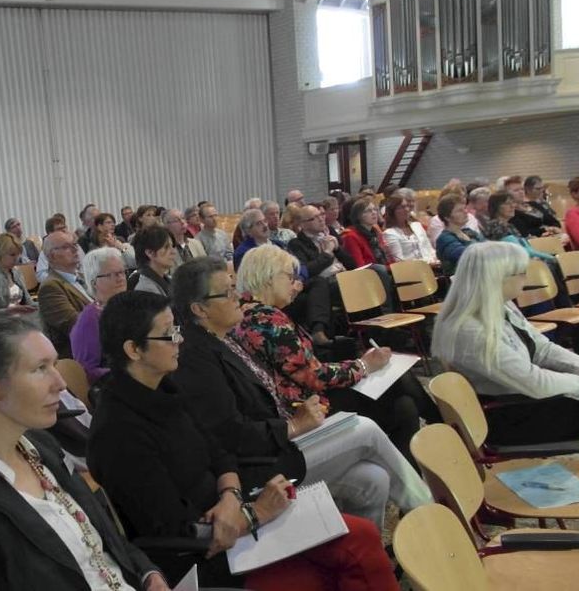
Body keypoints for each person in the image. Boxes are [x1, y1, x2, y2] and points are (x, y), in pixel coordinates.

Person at [89, 291, 400, 589]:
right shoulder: (118, 433)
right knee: (357, 539)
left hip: (234, 511)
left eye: (177, 330)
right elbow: (175, 529)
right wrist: (255, 513)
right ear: (133, 350)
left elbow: (218, 451)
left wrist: (230, 496)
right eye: (168, 334)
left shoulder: (163, 387)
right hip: (210, 556)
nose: (179, 339)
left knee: (369, 479)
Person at [172, 257, 431, 528]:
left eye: (234, 287)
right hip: (264, 462)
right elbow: (230, 434)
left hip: (283, 435)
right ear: (200, 309)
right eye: (227, 292)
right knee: (365, 428)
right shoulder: (197, 358)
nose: (237, 296)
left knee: (373, 479)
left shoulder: (224, 338)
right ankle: (431, 518)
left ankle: (363, 565)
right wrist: (294, 425)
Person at [0, 317, 168, 591]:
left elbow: (102, 538)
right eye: (40, 369)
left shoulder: (40, 445)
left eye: (54, 365)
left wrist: (146, 573)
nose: (60, 382)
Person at [431, 241, 579, 536]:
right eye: (520, 273)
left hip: (522, 400)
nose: (525, 279)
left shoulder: (500, 306)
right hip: (507, 417)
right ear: (497, 278)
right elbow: (535, 382)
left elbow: (543, 350)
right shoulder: (471, 330)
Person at [230, 245, 437, 461]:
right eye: (290, 278)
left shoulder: (246, 313)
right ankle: (445, 426)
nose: (295, 285)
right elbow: (314, 377)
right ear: (270, 277)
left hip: (300, 401)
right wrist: (365, 365)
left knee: (405, 406)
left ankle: (434, 443)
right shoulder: (266, 319)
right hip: (304, 409)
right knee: (398, 384)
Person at [70, 247, 127, 385]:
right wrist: (130, 374)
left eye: (122, 272)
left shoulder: (129, 307)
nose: (121, 278)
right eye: (112, 274)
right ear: (94, 282)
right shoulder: (90, 319)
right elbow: (87, 370)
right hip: (115, 389)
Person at [37, 231, 91, 359]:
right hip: (80, 355)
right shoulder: (50, 288)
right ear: (52, 256)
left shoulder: (83, 278)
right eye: (66, 247)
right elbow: (77, 326)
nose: (74, 249)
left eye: (74, 244)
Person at [483, 191, 554, 262]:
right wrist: (551, 258)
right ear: (496, 207)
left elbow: (524, 247)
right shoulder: (496, 225)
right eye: (507, 203)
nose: (512, 206)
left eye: (513, 203)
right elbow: (518, 250)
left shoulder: (509, 225)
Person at [435, 194, 483, 276]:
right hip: (460, 283)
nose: (465, 211)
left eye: (464, 208)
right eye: (459, 210)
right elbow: (467, 255)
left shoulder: (469, 232)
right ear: (447, 217)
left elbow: (489, 246)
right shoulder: (444, 238)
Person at [382, 195, 437, 264]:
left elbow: (429, 248)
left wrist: (435, 259)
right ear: (393, 212)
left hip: (433, 265)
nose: (407, 209)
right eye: (401, 207)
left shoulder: (417, 225)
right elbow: (399, 261)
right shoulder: (389, 233)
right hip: (412, 270)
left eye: (407, 206)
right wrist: (427, 263)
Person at [340, 199, 391, 269]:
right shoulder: (350, 236)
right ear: (358, 216)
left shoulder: (375, 232)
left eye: (374, 209)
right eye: (368, 211)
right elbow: (360, 266)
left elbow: (388, 257)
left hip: (385, 271)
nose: (374, 213)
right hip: (369, 275)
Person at [128, 225, 176, 296]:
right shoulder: (145, 288)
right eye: (166, 247)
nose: (173, 252)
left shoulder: (168, 279)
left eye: (172, 246)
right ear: (150, 253)